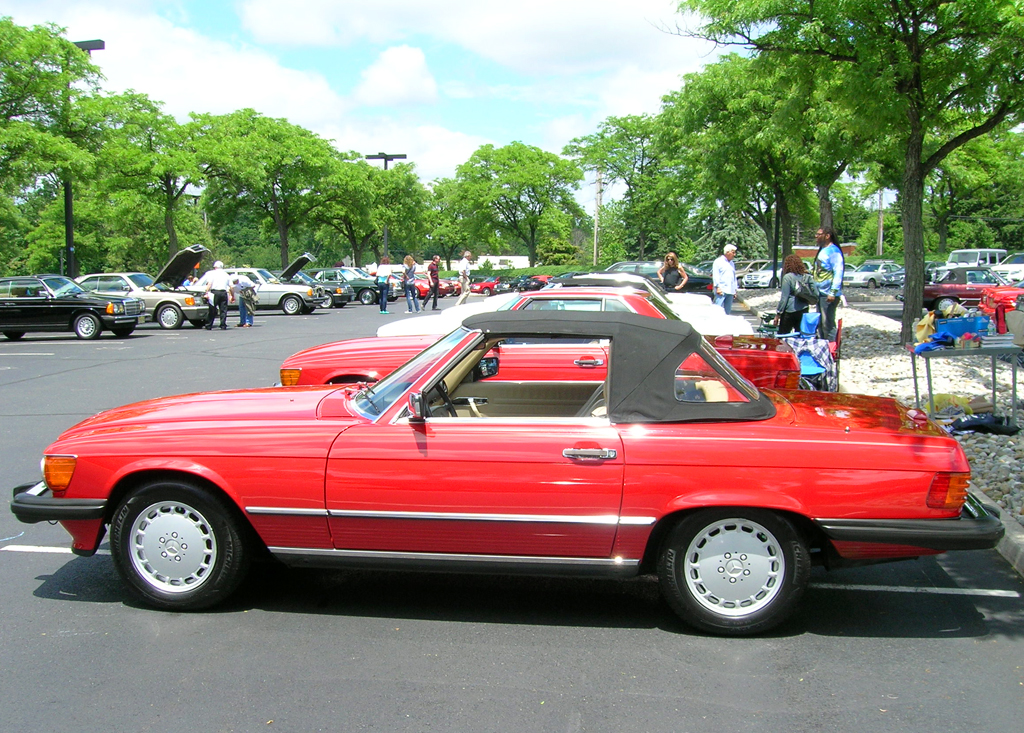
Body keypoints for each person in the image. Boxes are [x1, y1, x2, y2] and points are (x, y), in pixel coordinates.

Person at [812, 226, 845, 341]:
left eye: (819, 234)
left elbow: (838, 271)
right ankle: (822, 347)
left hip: (828, 294)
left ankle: (832, 349)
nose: (816, 237)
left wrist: (833, 292)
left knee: (828, 324)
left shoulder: (834, 251)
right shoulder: (822, 250)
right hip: (820, 293)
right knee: (820, 323)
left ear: (827, 236)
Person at [774, 254, 811, 335]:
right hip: (803, 309)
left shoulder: (788, 277)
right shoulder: (806, 276)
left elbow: (784, 298)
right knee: (800, 336)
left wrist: (778, 314)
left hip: (789, 310)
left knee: (783, 336)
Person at [196, 260, 232, 330]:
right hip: (223, 292)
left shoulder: (212, 274)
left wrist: (206, 292)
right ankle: (223, 324)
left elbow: (209, 284)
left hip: (214, 293)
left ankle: (209, 325)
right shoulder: (226, 274)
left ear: (215, 267)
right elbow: (231, 286)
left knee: (212, 309)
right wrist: (232, 295)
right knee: (223, 310)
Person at [712, 244, 739, 315]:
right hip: (721, 290)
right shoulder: (718, 262)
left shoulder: (732, 263)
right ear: (727, 252)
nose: (734, 254)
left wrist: (735, 289)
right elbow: (716, 275)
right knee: (717, 309)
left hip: (730, 290)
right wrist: (717, 287)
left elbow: (733, 277)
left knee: (727, 311)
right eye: (733, 252)